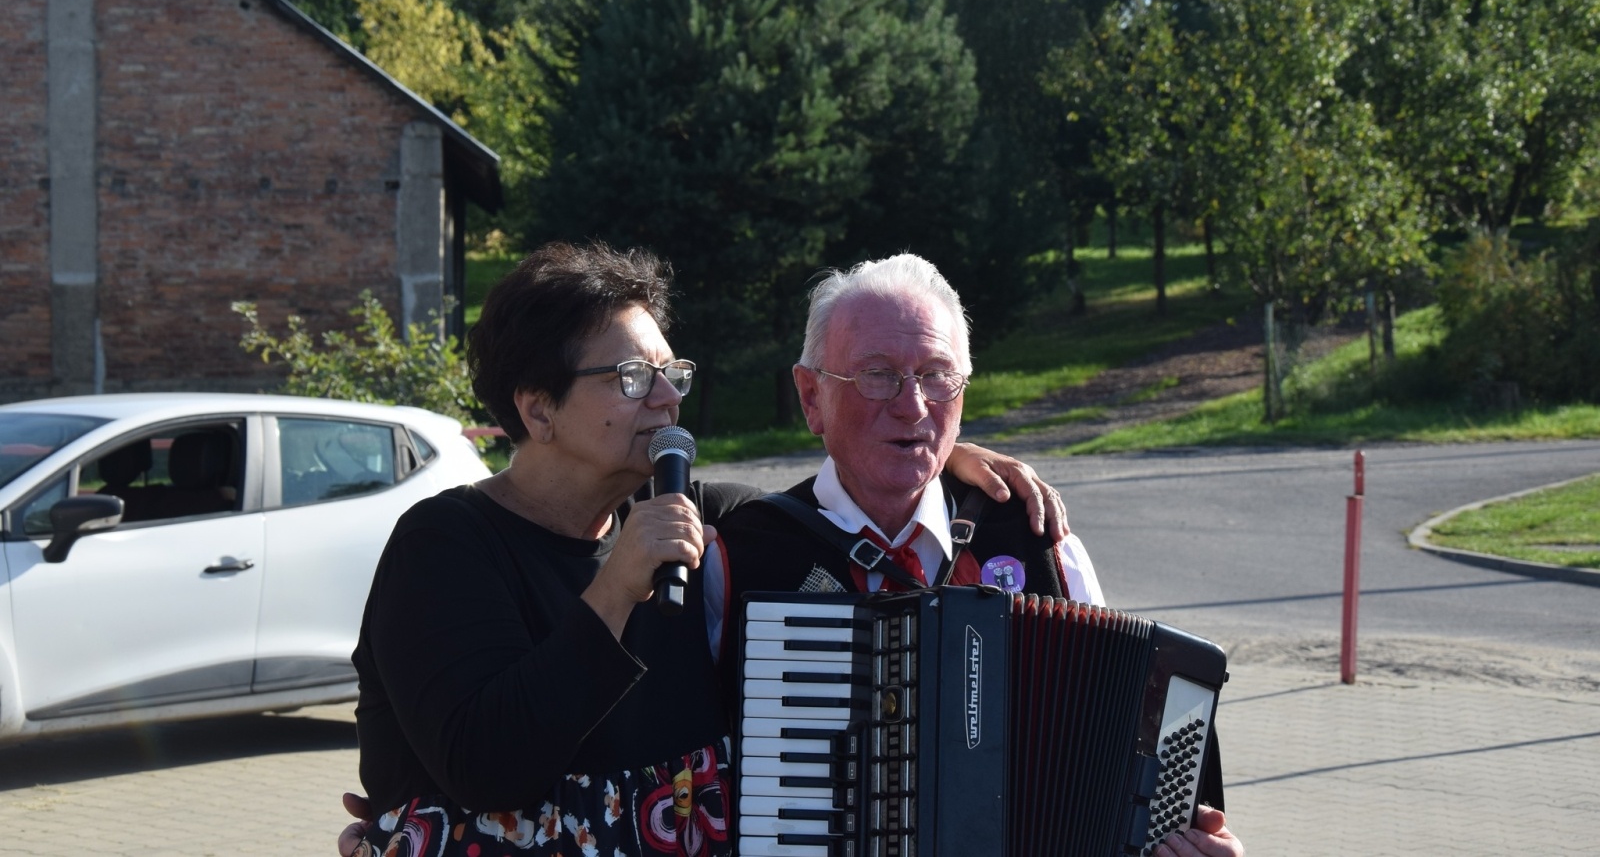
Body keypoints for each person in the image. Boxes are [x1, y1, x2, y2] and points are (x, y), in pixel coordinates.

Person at [342, 243, 1067, 857]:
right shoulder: (443, 546)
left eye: (671, 373)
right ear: (538, 409)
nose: (666, 399)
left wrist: (935, 455)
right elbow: (486, 768)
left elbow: (840, 505)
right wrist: (615, 592)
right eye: (631, 378)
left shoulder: (708, 521)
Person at [704, 254, 1246, 857]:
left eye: (937, 376)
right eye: (877, 375)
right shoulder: (739, 561)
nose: (912, 407)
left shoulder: (1037, 542)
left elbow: (1120, 786)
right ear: (811, 397)